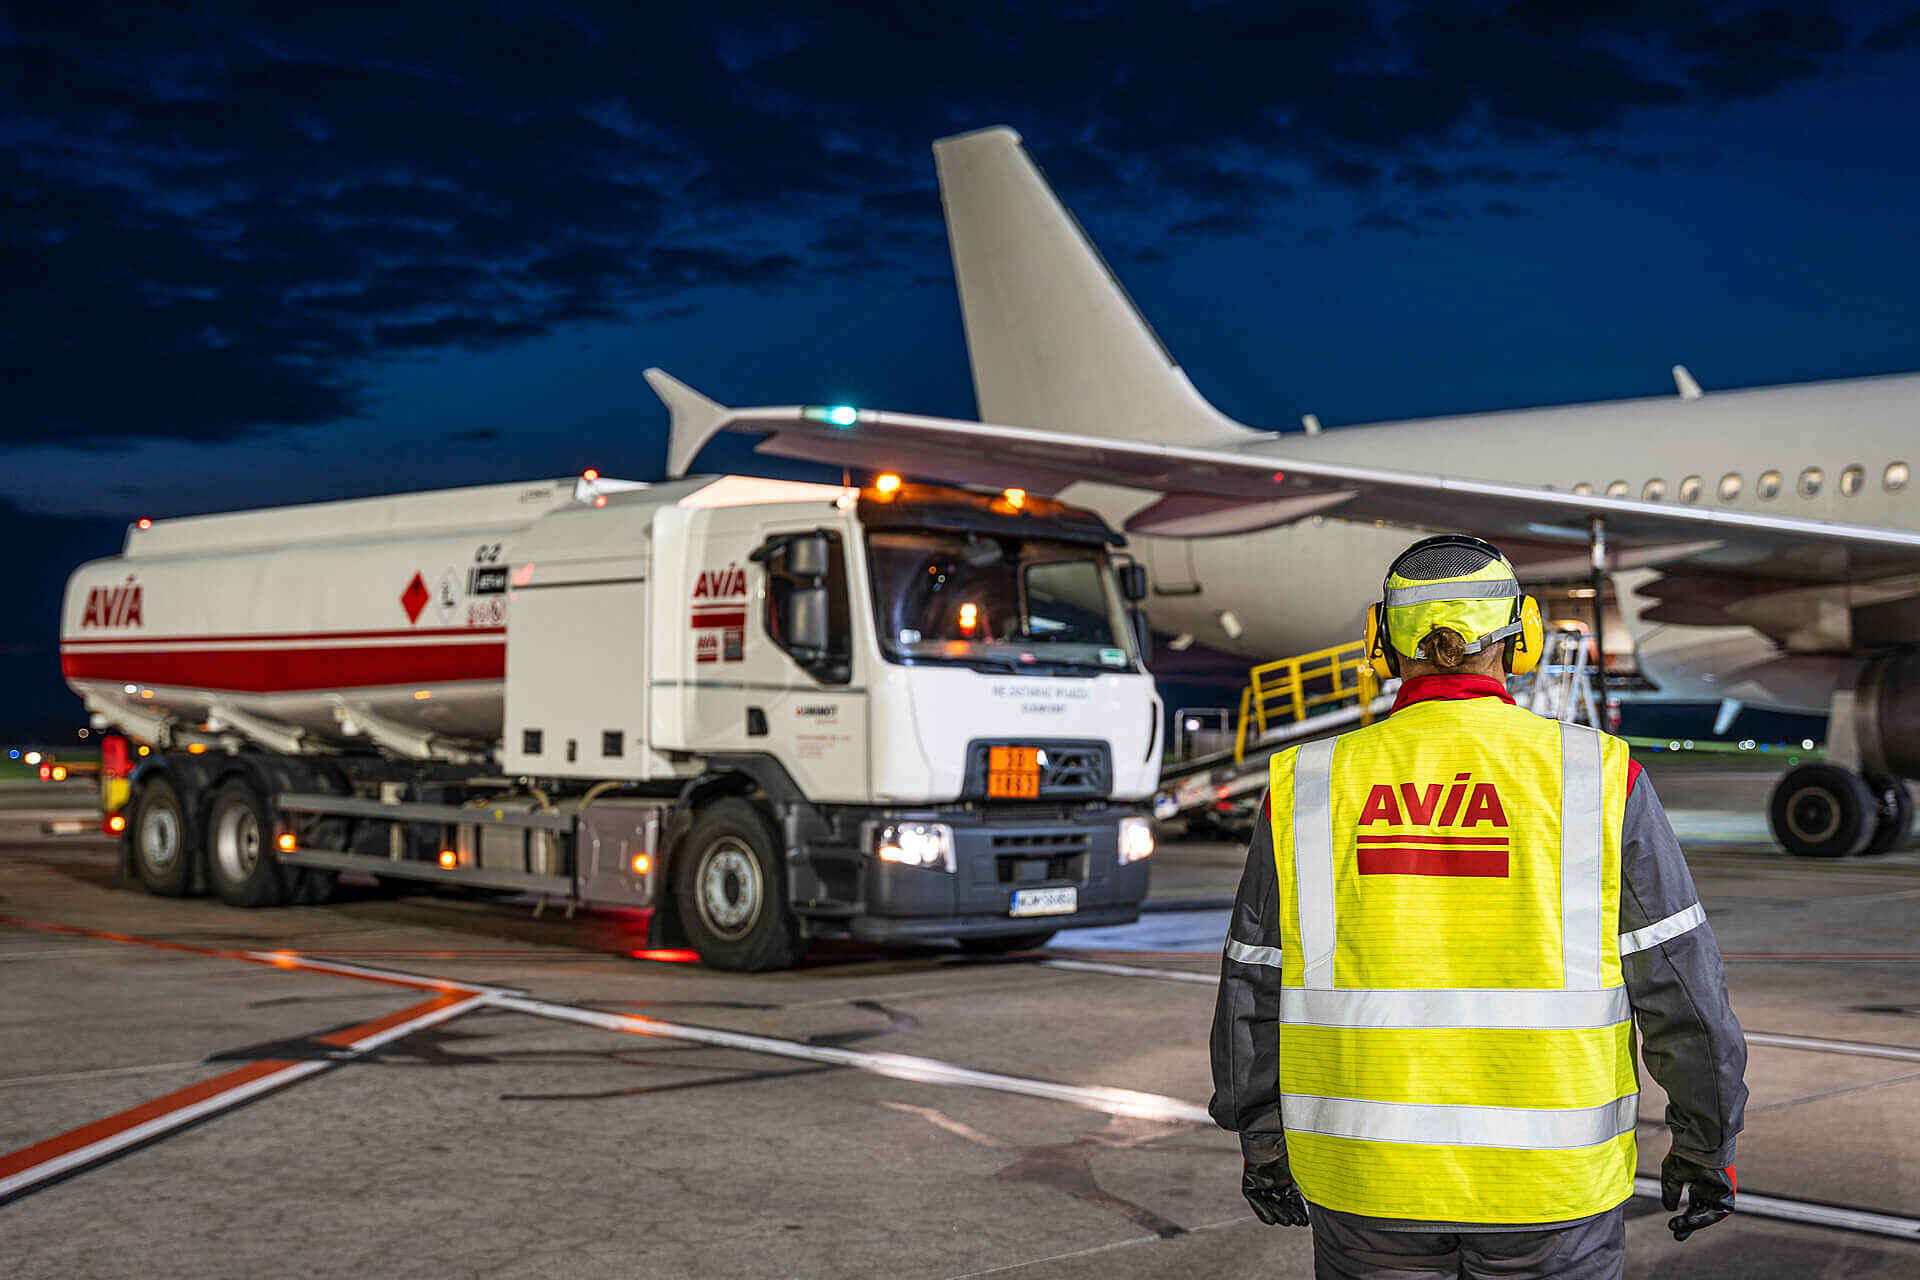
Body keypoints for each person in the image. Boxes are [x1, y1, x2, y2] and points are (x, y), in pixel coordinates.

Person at [1209, 534, 1747, 1280]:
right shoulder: (1598, 776)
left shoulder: (1307, 783)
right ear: (1521, 636)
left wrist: (1262, 1138)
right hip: (1552, 1189)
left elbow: (1252, 980)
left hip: (1365, 1182)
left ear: (1381, 642)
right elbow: (1681, 986)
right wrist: (1705, 1139)